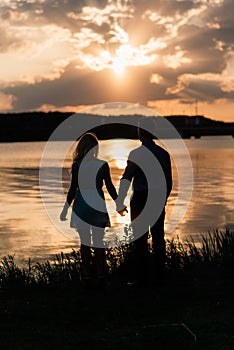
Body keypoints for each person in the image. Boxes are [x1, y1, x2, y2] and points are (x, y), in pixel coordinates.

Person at [116, 117, 172, 286]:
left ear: (140, 133)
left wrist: (120, 201)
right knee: (158, 238)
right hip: (157, 197)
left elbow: (127, 177)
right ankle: (160, 276)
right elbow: (168, 182)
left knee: (140, 240)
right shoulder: (163, 153)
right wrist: (164, 199)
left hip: (140, 199)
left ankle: (142, 279)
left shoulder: (137, 154)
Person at [60, 132, 118, 289]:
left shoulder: (77, 165)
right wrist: (119, 204)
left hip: (81, 206)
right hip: (98, 205)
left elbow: (73, 189)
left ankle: (86, 276)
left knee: (84, 243)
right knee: (99, 242)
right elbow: (110, 187)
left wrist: (65, 210)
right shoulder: (103, 165)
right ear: (95, 148)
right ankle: (100, 276)